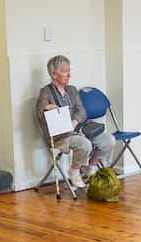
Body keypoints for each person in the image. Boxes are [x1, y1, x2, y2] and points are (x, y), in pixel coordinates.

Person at [36, 55, 115, 189]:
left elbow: (82, 111)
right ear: (54, 74)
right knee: (84, 144)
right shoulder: (46, 92)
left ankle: (91, 167)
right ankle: (74, 171)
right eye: (65, 71)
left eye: (69, 70)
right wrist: (47, 109)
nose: (69, 74)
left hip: (78, 129)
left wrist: (74, 121)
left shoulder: (72, 90)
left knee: (108, 140)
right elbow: (40, 116)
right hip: (60, 136)